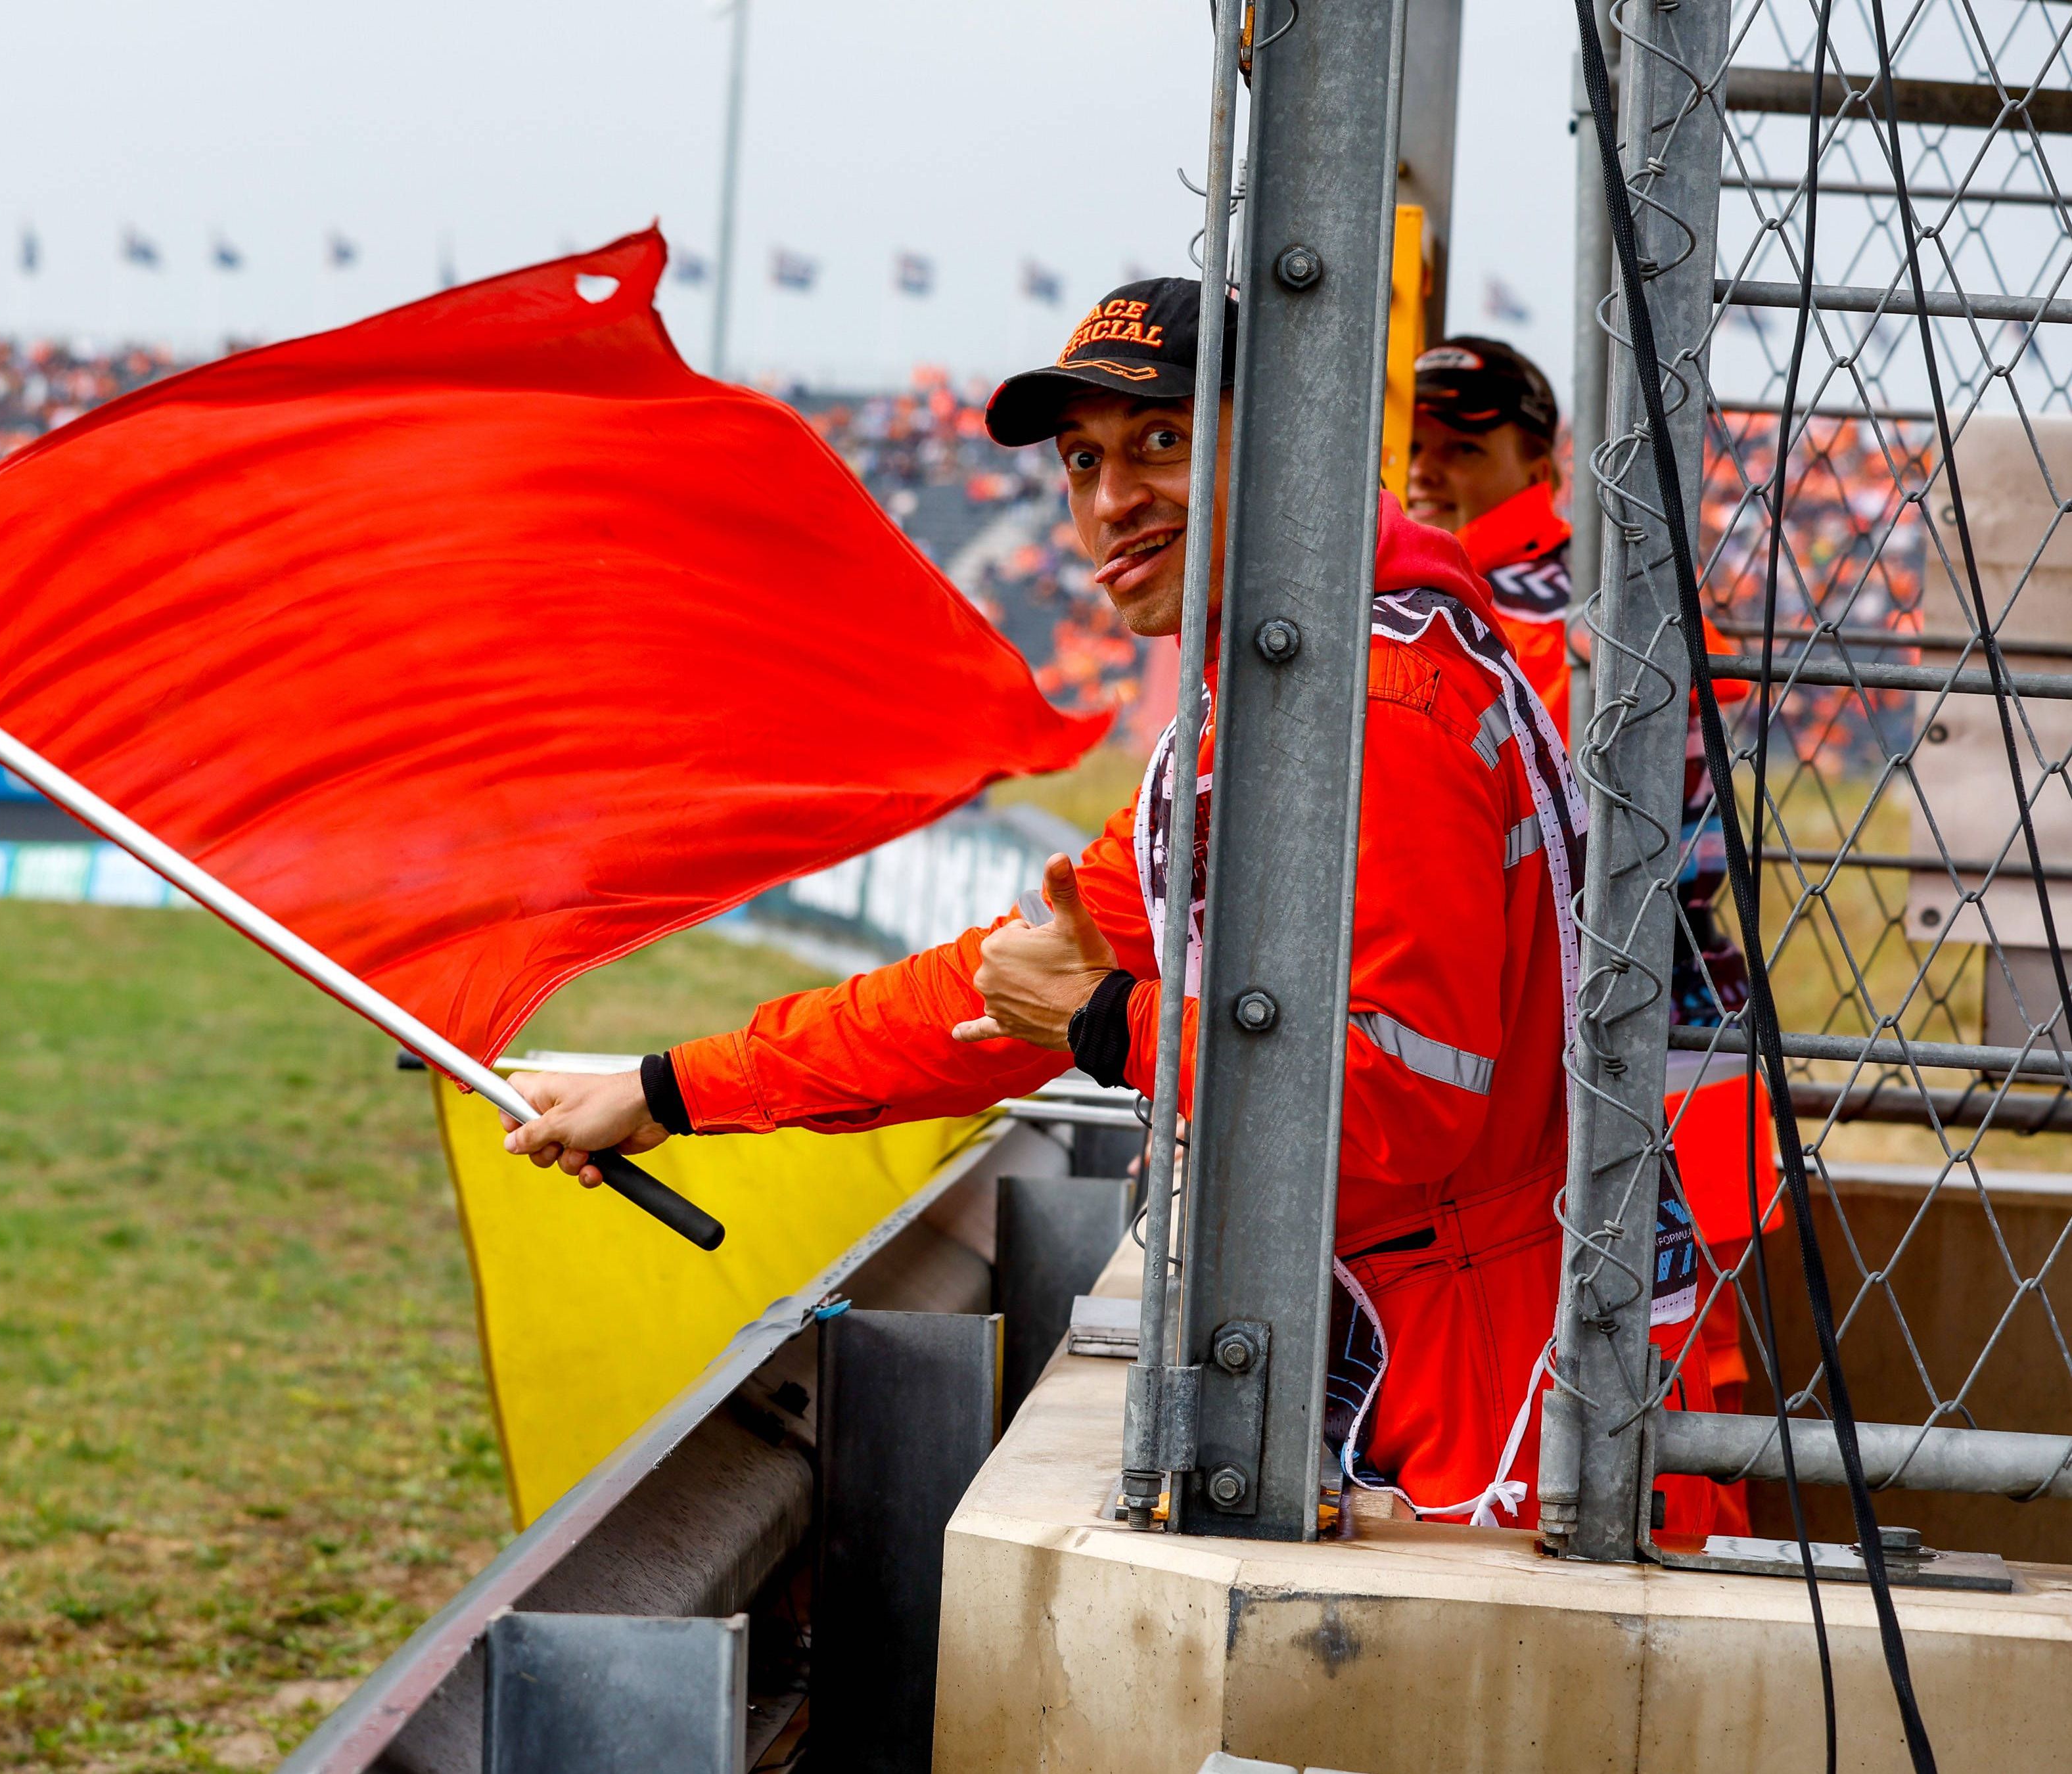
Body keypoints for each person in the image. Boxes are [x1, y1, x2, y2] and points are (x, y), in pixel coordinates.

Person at [503, 280, 1583, 1529]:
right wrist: (672, 1088)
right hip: (1433, 1364)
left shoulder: (1377, 703)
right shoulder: (1301, 688)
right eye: (1083, 459)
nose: (1109, 500)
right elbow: (990, 990)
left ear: (1291, 442)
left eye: (1161, 443)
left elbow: (1404, 1109)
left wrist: (1108, 1022)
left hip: (1478, 1418)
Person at [1403, 338, 1766, 1539]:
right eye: (1415, 444)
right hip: (1658, 1060)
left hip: (1621, 1067)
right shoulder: (1581, 589)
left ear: (1541, 456)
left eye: (1464, 446)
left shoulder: (1514, 614)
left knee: (1663, 1380)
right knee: (1674, 1376)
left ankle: (1704, 1592)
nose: (1428, 471)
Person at [1405, 338, 1575, 735]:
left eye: (1463, 448)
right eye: (1411, 447)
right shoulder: (1401, 581)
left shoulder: (1549, 631)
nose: (1420, 470)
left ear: (1538, 475)